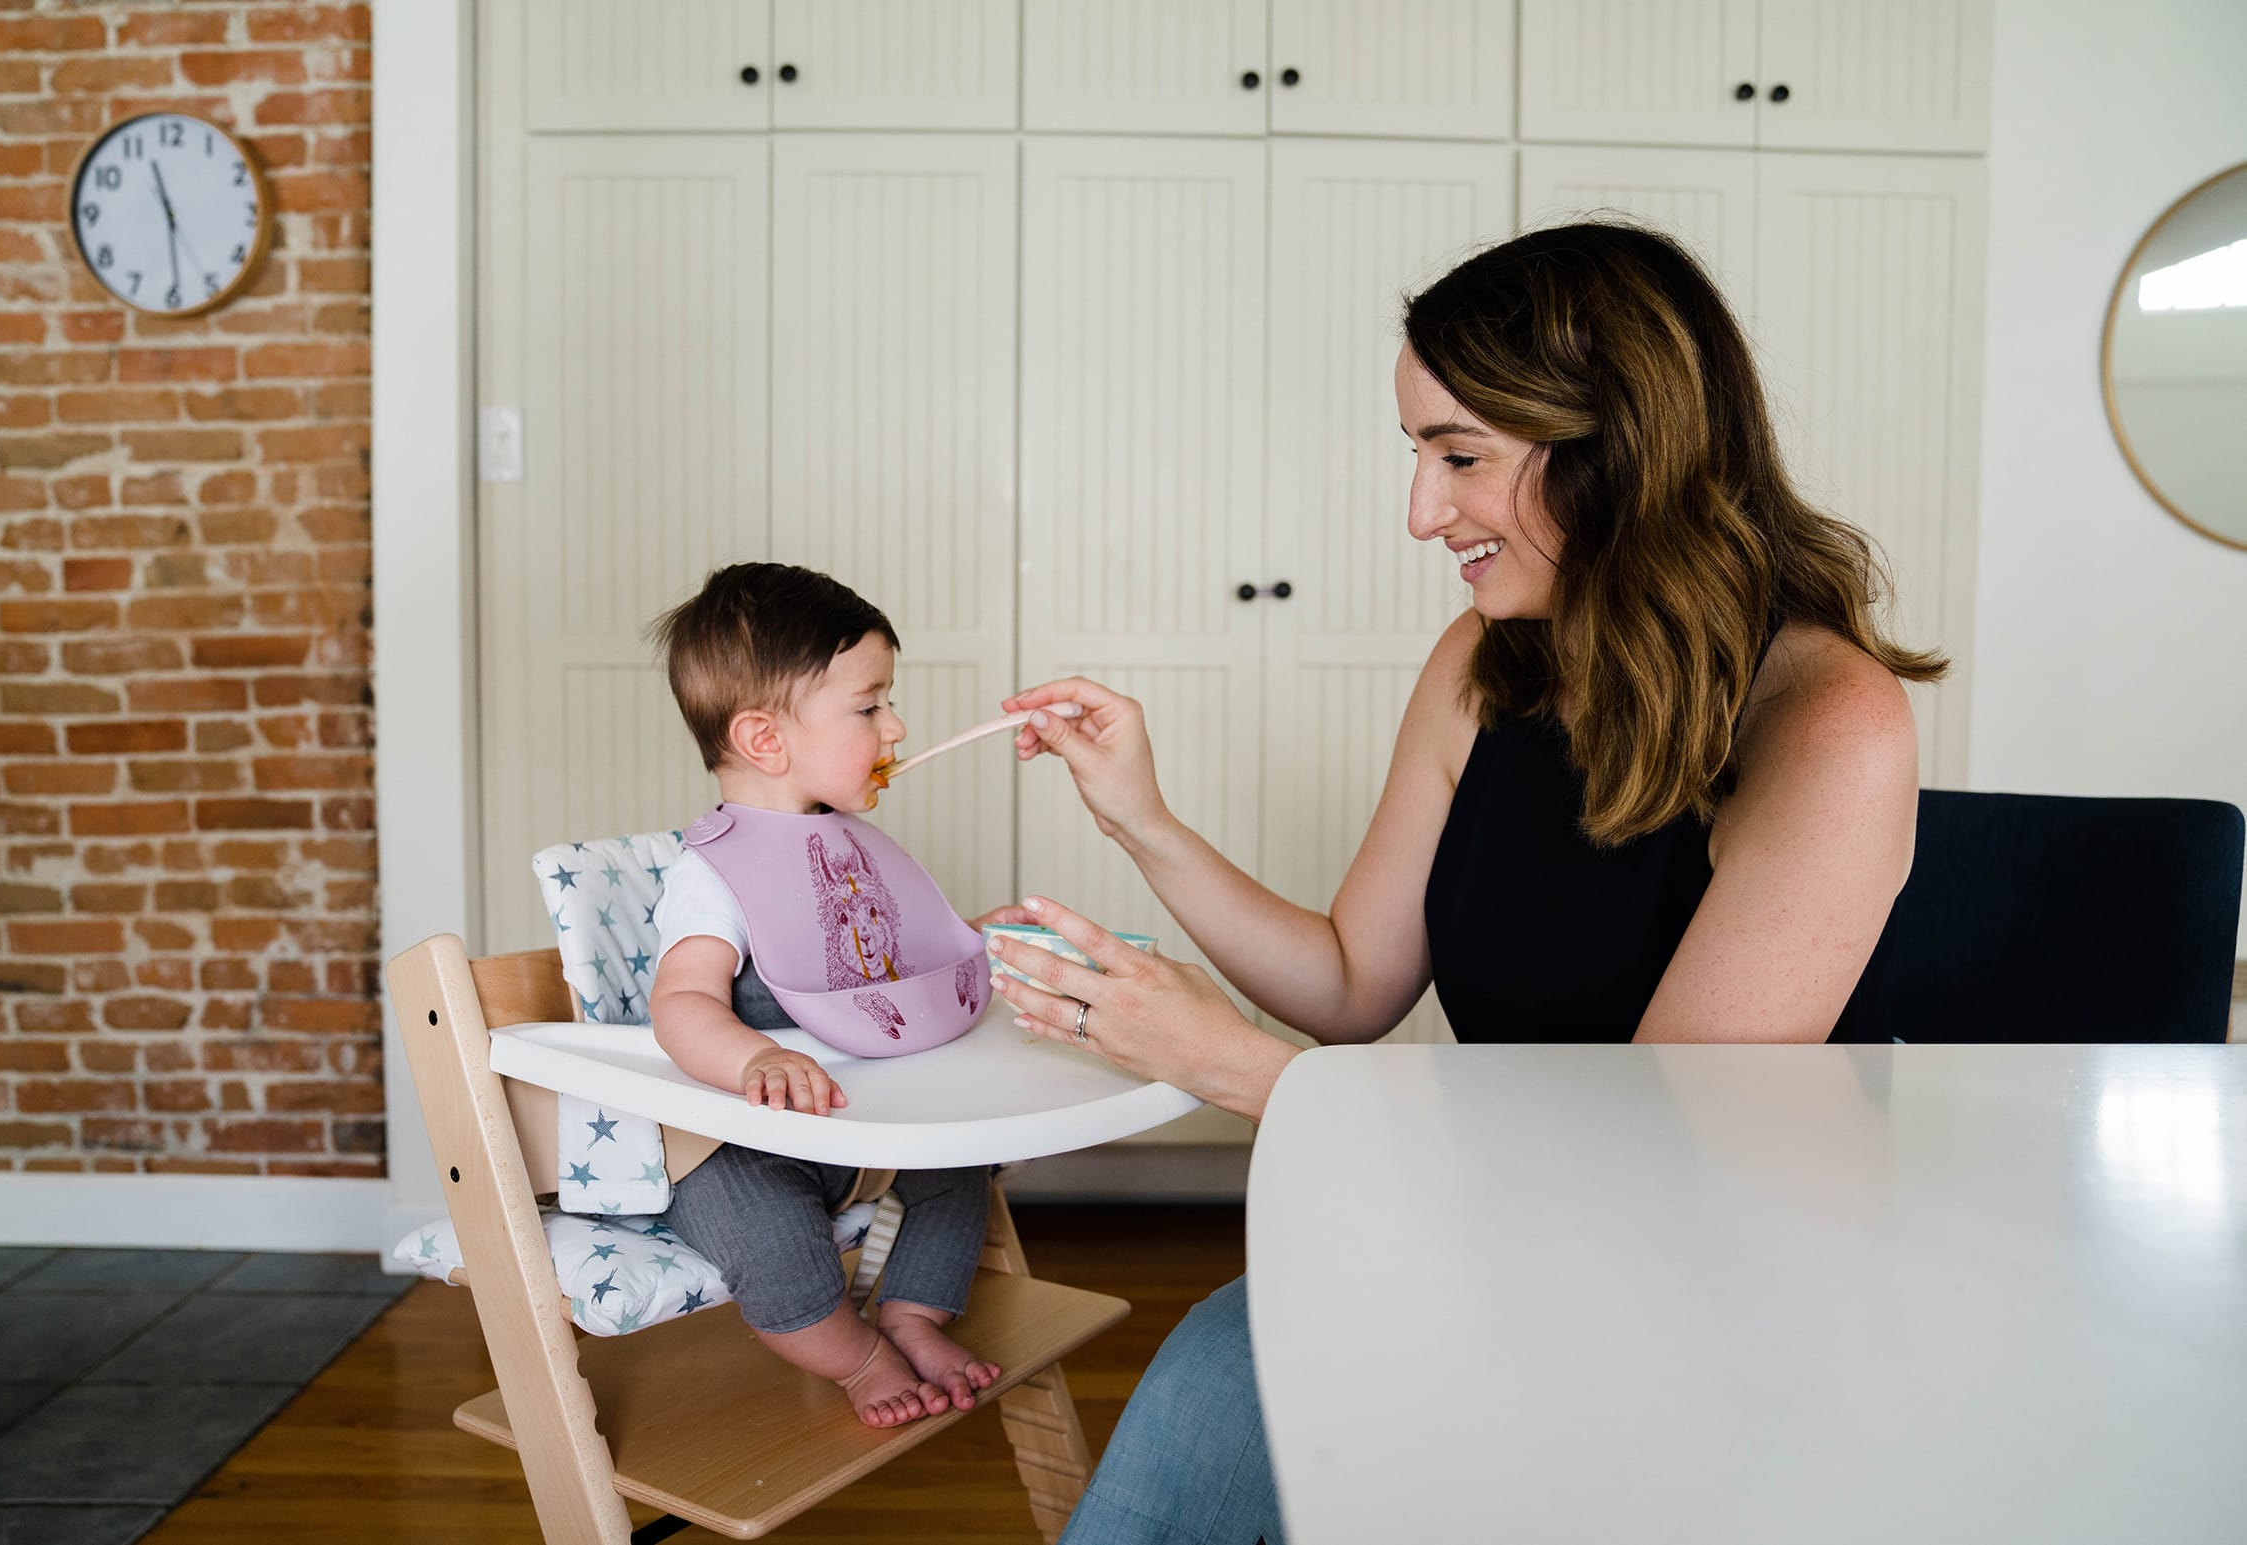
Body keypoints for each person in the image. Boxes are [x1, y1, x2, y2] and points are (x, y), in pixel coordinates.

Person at [982, 222, 1945, 1542]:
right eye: (1419, 456)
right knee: (1167, 1468)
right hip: (1475, 1239)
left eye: (1461, 456)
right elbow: (1349, 982)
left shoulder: (1829, 721)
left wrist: (1240, 1069)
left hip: (1705, 1310)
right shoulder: (1483, 662)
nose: (1423, 513)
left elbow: (1651, 1164)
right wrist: (1141, 817)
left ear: (1618, 446)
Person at [645, 562, 1019, 1428]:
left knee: (961, 1161)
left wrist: (970, 939)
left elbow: (871, 954)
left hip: (862, 1112)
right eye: (869, 705)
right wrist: (757, 1056)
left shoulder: (846, 843)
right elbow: (683, 1002)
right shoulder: (714, 872)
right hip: (744, 1137)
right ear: (766, 739)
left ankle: (913, 1313)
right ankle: (857, 1359)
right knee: (766, 1235)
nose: (896, 725)